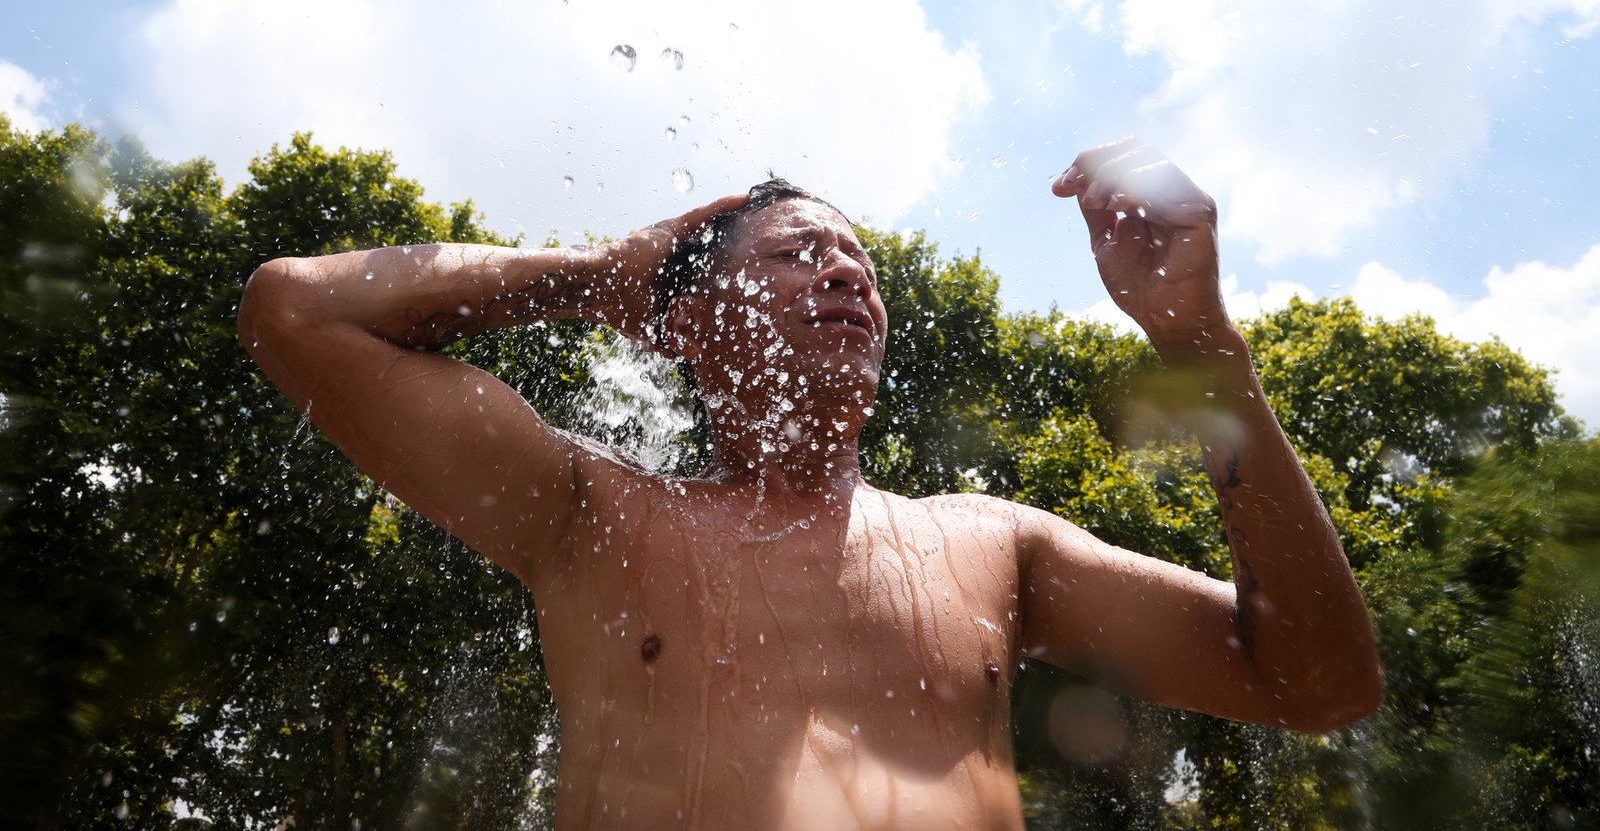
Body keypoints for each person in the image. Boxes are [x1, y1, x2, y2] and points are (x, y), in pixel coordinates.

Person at [237, 140, 1381, 830]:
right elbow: (296, 308)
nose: (842, 268)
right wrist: (594, 277)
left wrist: (1201, 345)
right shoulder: (589, 515)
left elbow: (1319, 682)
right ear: (688, 325)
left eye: (859, 263)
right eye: (793, 254)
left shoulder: (997, 544)